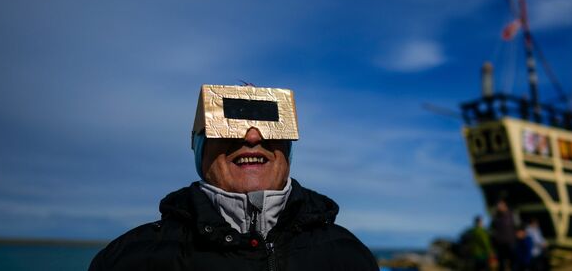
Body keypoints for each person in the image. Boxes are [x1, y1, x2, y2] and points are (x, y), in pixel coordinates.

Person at [89, 84, 378, 270]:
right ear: (200, 151)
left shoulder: (348, 255)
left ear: (287, 151)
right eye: (229, 127)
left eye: (268, 125)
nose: (252, 136)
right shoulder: (131, 258)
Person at [490, 199, 516, 271]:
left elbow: (517, 227)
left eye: (500, 205)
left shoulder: (511, 215)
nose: (499, 207)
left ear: (505, 206)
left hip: (510, 242)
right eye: (498, 206)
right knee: (501, 263)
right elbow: (492, 229)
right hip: (500, 243)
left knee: (512, 262)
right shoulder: (495, 217)